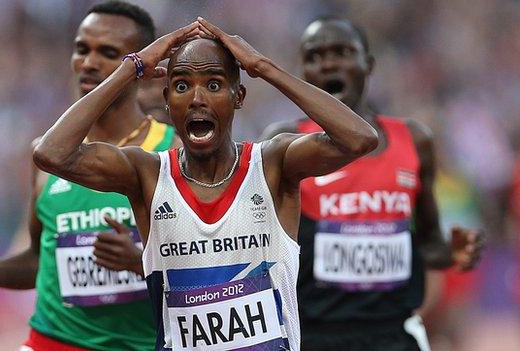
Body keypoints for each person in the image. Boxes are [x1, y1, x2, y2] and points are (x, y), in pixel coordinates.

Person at [32, 17, 378, 350]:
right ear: (167, 99)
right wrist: (132, 68)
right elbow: (52, 153)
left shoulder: (273, 164)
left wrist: (262, 67)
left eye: (213, 85)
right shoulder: (147, 173)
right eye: (182, 86)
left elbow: (359, 138)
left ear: (237, 97)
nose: (197, 99)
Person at [0, 2, 178, 350]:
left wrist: (140, 263)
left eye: (109, 53)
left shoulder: (172, 153)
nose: (89, 62)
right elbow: (40, 259)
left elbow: (206, 269)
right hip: (50, 342)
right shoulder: (47, 154)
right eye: (82, 49)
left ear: (143, 68)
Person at [261, 16, 484, 351]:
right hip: (314, 335)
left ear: (369, 64)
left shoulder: (414, 140)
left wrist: (452, 251)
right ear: (302, 73)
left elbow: (429, 244)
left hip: (393, 334)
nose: (329, 64)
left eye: (342, 52)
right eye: (314, 56)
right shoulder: (284, 144)